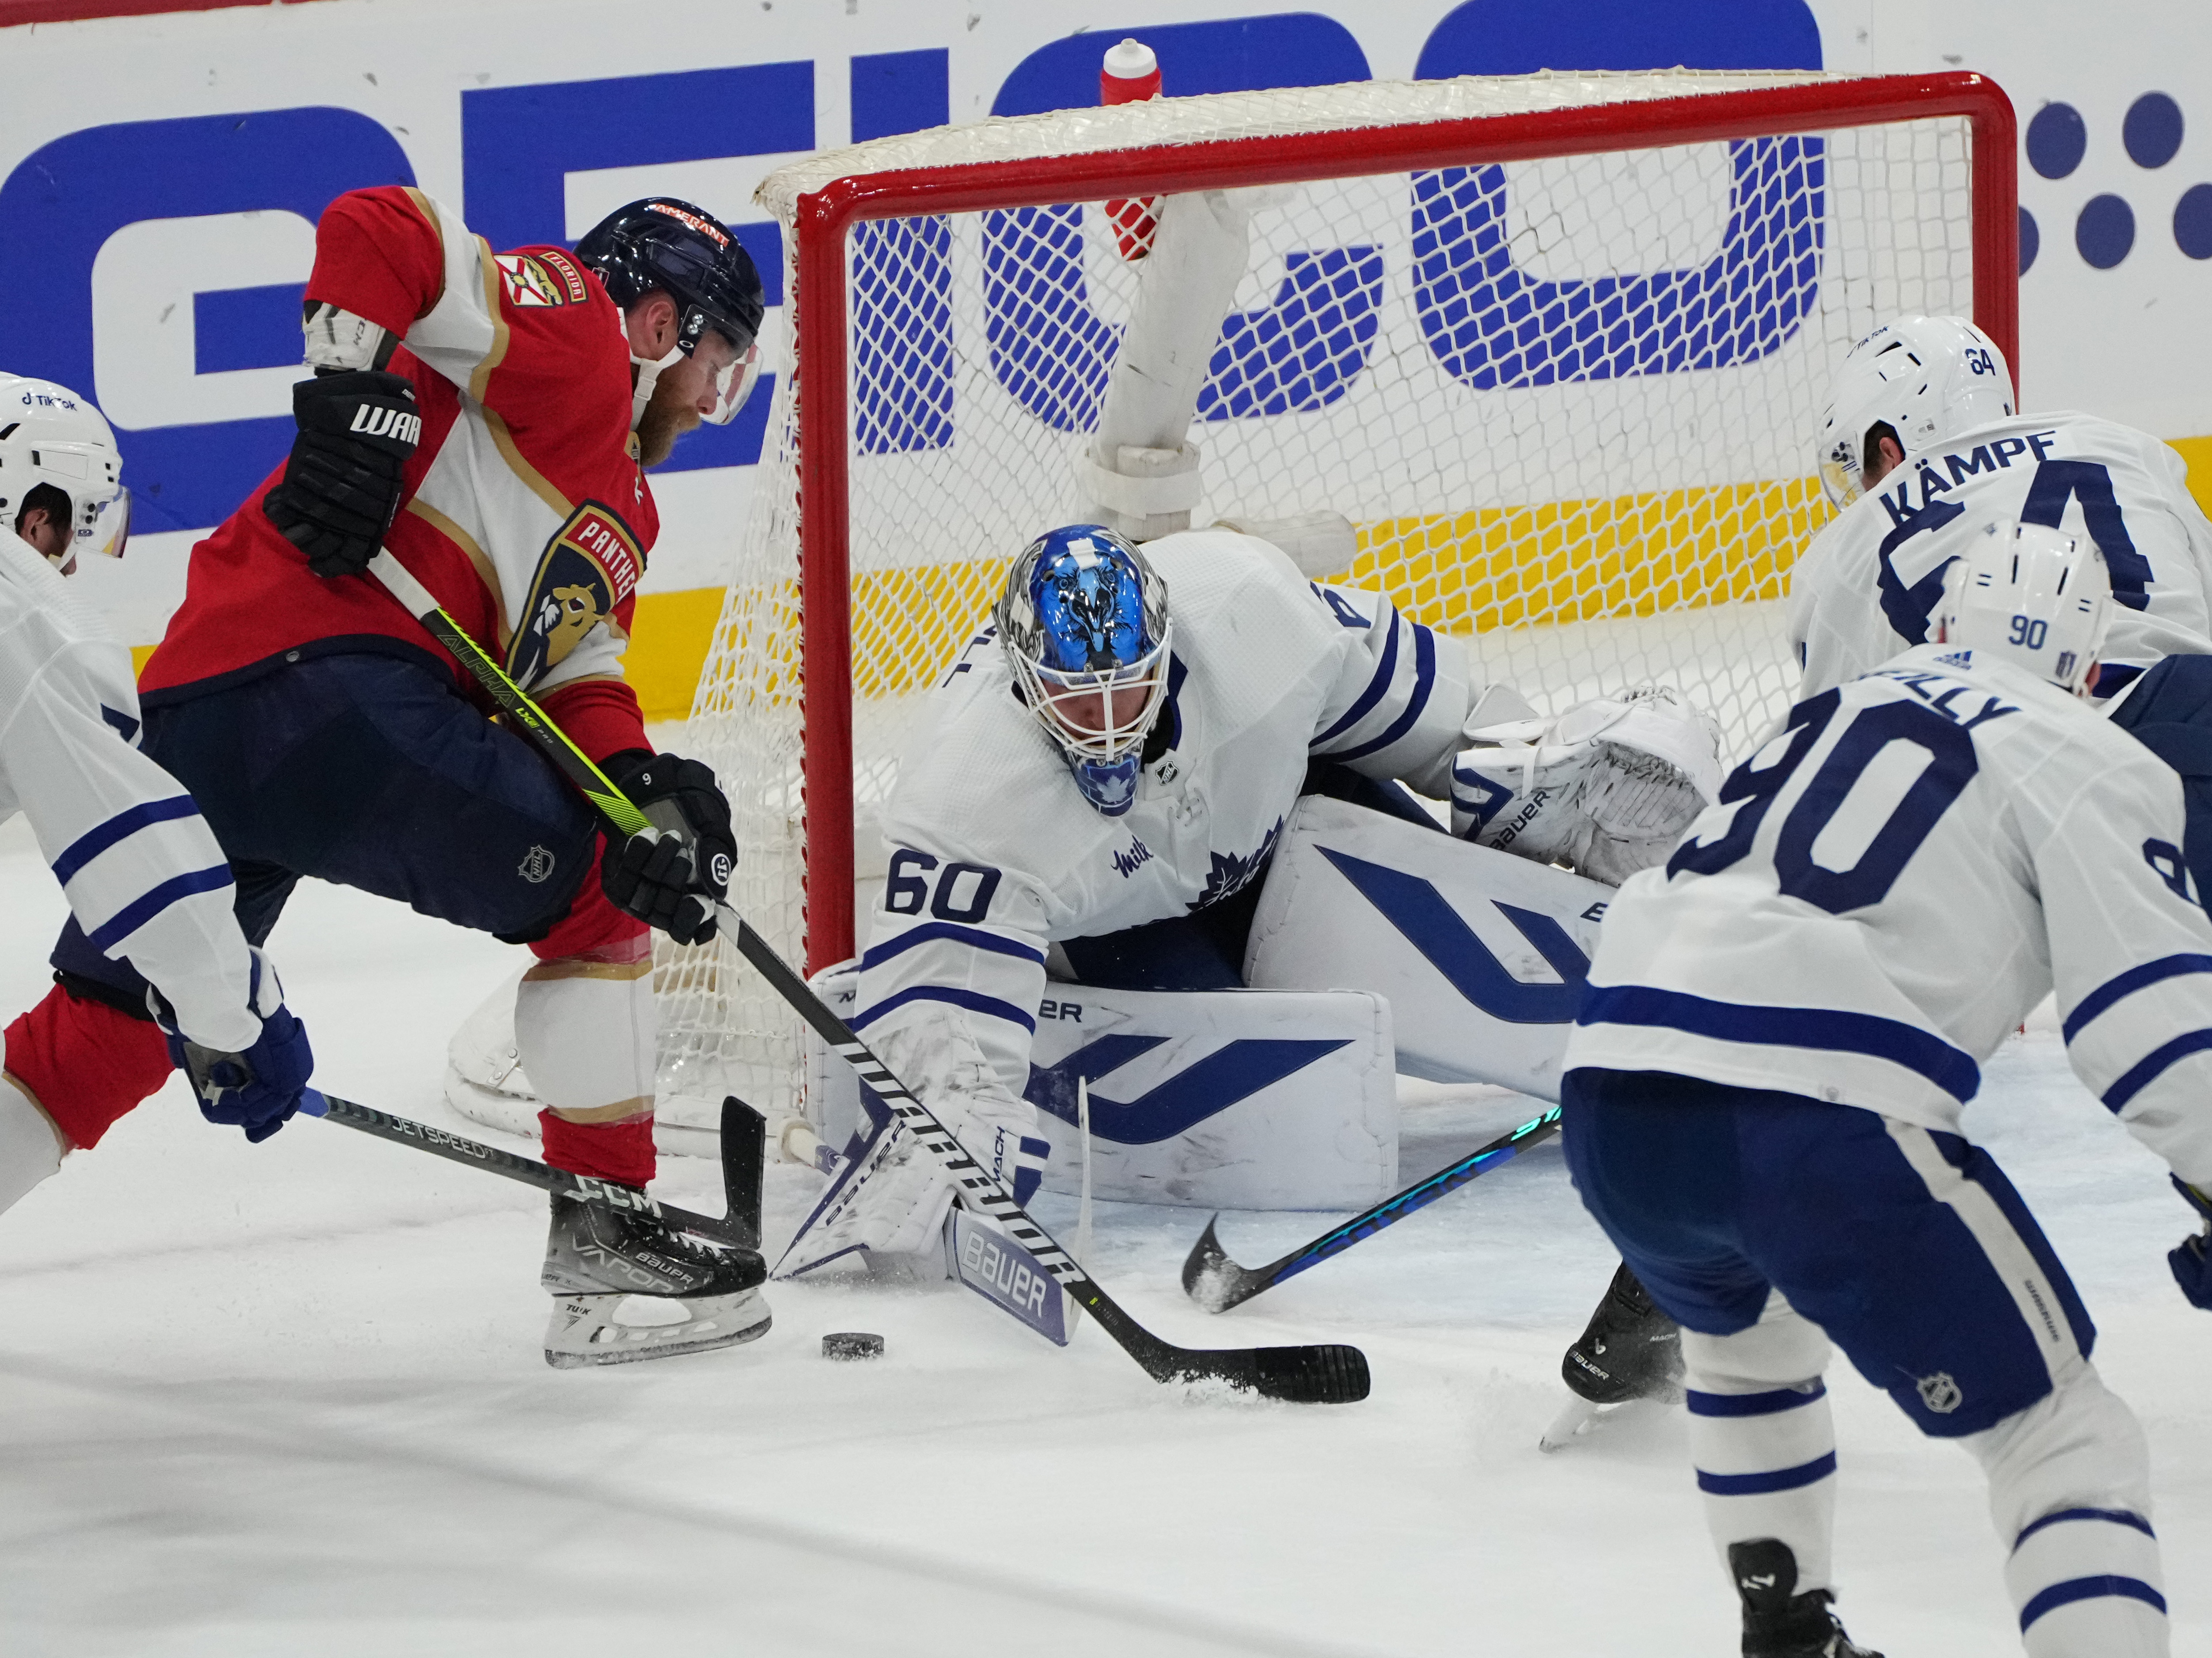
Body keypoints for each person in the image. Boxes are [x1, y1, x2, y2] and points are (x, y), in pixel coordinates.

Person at [3, 193, 767, 1368]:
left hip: (210, 706)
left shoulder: (627, 501)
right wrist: (354, 404)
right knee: (599, 894)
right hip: (339, 695)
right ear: (659, 321)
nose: (712, 398)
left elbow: (577, 670)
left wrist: (645, 784)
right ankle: (606, 1234)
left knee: (108, 1030)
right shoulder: (573, 330)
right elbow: (379, 229)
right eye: (715, 362)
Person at [1562, 519, 2212, 1657]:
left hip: (1609, 1096)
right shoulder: (2091, 750)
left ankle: (1790, 1629)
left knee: (1745, 1344)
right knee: (2065, 1441)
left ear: (1942, 625)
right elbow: (2148, 1036)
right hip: (1811, 1117)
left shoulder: (1822, 710)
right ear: (2087, 663)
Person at [781, 521, 1725, 1273]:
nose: (1111, 729)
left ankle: (1696, 1022)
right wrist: (942, 1098)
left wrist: (1542, 783)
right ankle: (1026, 1022)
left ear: (1167, 648)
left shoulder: (1254, 610)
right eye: (1080, 703)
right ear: (1023, 685)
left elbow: (1442, 729)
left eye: (1130, 691)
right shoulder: (968, 792)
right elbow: (946, 1039)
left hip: (1279, 819)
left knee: (1438, 919)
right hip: (1122, 931)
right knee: (1279, 1071)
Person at [1, 375, 315, 1217]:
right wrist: (233, 1010)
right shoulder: (23, 611)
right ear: (35, 513)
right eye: (71, 528)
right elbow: (134, 859)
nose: (67, 561)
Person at [1791, 312, 2212, 704]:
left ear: (1891, 450)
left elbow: (1836, 741)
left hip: (2047, 760)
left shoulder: (1842, 553)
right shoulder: (2131, 450)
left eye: (1862, 473)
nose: (1865, 494)